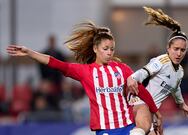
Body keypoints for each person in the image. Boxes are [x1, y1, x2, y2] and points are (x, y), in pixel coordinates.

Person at [6, 21, 162, 135]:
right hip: (105, 130)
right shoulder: (85, 72)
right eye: (105, 48)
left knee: (144, 118)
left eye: (112, 49)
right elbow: (56, 64)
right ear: (95, 48)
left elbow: (140, 91)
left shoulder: (122, 69)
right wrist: (30, 53)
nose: (109, 52)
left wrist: (157, 112)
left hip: (127, 126)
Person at [127, 7, 188, 135]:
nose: (179, 53)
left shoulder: (180, 71)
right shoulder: (161, 61)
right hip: (140, 101)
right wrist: (133, 78)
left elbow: (175, 88)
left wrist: (181, 104)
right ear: (168, 48)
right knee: (143, 127)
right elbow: (144, 72)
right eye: (176, 49)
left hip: (152, 109)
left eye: (182, 50)